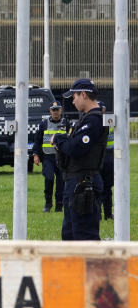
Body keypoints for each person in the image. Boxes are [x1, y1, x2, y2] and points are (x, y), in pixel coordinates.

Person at [53, 79, 107, 240]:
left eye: (74, 96)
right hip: (76, 183)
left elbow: (75, 148)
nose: (73, 100)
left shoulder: (94, 120)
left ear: (83, 94)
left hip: (84, 184)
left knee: (84, 238)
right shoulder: (86, 119)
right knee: (70, 236)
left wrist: (59, 139)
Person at [32, 101, 66, 213]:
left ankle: (59, 206)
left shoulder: (66, 123)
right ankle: (48, 204)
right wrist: (36, 154)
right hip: (48, 157)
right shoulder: (44, 124)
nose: (55, 112)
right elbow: (37, 140)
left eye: (57, 109)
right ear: (50, 111)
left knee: (61, 182)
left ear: (61, 110)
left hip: (62, 157)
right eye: (53, 109)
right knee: (49, 178)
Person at [99, 102, 114, 221]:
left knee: (107, 188)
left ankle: (108, 214)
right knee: (98, 188)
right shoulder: (93, 121)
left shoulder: (110, 121)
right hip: (99, 158)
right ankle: (99, 214)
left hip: (108, 157)